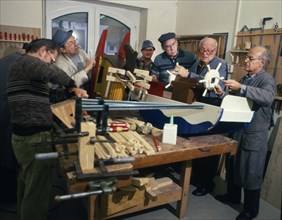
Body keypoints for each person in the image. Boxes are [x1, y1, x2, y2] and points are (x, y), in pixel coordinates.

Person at [6, 38, 88, 220]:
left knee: (28, 185)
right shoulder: (26, 62)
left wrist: (70, 93)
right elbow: (50, 72)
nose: (52, 63)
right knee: (37, 191)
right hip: (34, 138)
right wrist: (73, 84)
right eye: (52, 59)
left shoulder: (25, 70)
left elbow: (49, 96)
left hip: (27, 138)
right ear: (43, 51)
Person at [214, 46, 276, 220]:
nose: (246, 61)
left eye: (250, 58)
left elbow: (268, 97)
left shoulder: (267, 80)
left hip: (254, 134)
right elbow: (237, 100)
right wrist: (222, 94)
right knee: (234, 166)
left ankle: (251, 209)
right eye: (246, 57)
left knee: (251, 170)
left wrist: (242, 87)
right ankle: (233, 196)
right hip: (239, 130)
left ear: (261, 63)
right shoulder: (246, 78)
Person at [174, 37, 228, 196]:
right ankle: (197, 178)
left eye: (209, 50)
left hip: (212, 108)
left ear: (215, 51)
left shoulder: (221, 64)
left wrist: (189, 74)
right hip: (198, 107)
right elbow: (190, 82)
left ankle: (207, 184)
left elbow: (213, 85)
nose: (205, 53)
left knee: (208, 146)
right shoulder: (197, 64)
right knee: (197, 143)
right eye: (202, 50)